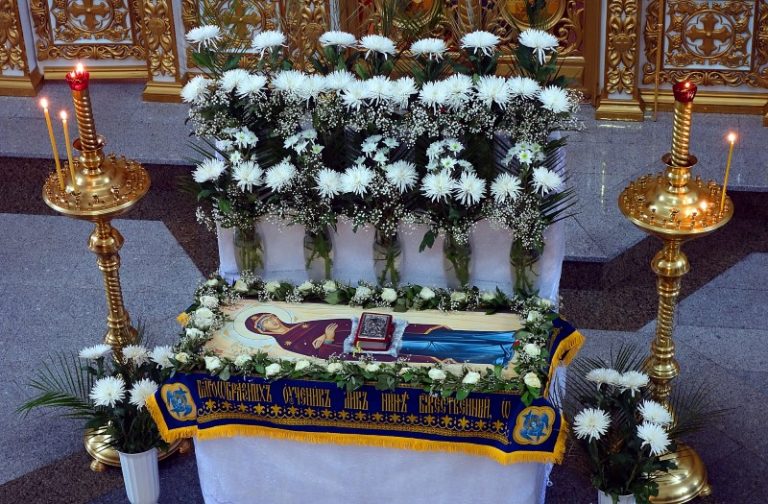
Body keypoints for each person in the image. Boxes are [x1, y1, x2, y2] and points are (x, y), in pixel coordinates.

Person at [246, 312, 516, 365]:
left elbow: (339, 321)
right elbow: (319, 353)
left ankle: (501, 336)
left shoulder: (298, 323)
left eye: (269, 317)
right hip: (370, 346)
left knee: (438, 335)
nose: (271, 321)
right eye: (265, 323)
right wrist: (327, 339)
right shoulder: (287, 342)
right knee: (432, 346)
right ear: (263, 331)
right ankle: (495, 354)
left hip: (375, 329)